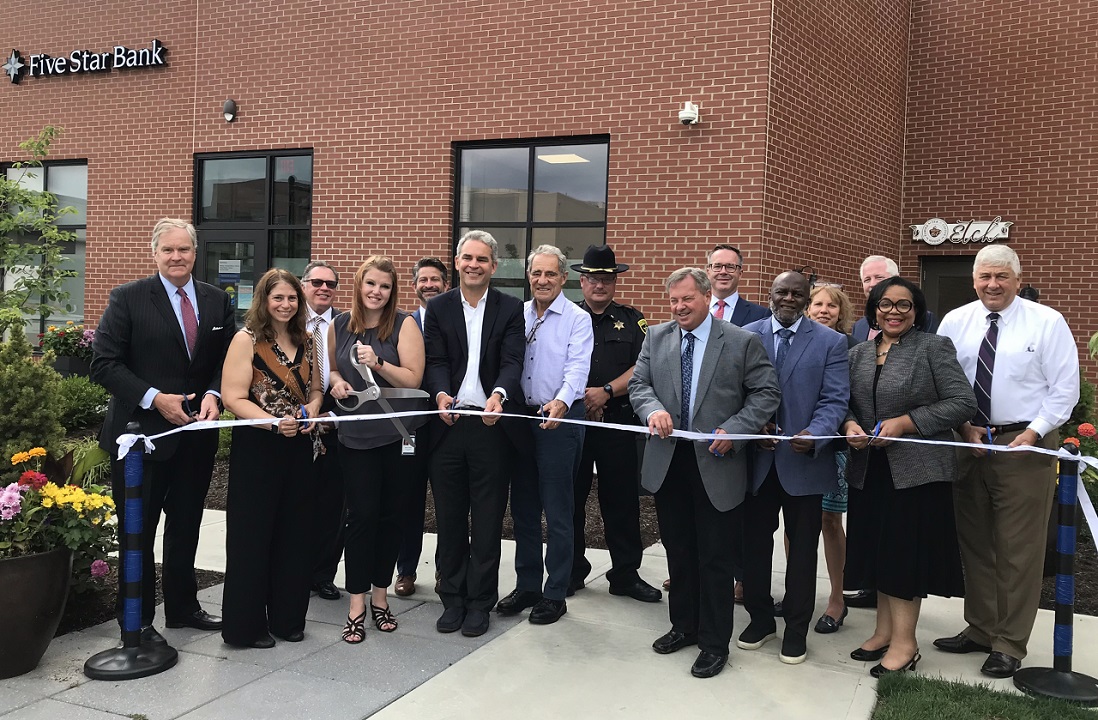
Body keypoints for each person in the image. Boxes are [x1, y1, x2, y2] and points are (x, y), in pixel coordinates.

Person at [934, 245, 1079, 678]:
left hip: (1024, 442)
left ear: (1017, 279)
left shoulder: (1047, 322)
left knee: (1019, 548)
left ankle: (1009, 642)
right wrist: (962, 427)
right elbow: (944, 383)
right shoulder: (955, 321)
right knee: (975, 542)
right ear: (974, 280)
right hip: (968, 440)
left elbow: (1064, 389)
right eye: (984, 277)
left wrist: (1033, 433)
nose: (992, 285)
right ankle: (980, 627)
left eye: (1001, 276)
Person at [629, 267, 780, 679]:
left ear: (707, 296)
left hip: (718, 463)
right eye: (673, 301)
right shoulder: (656, 337)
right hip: (669, 464)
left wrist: (736, 430)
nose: (678, 307)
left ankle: (714, 644)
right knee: (678, 552)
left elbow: (767, 393)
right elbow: (640, 385)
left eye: (687, 300)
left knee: (715, 558)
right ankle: (684, 626)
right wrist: (652, 409)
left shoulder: (740, 340)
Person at [91, 217, 233, 644]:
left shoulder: (215, 301)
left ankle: (183, 607)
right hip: (141, 439)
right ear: (154, 254)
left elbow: (226, 359)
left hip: (195, 435)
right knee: (139, 529)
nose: (177, 257)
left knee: (186, 524)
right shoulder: (128, 298)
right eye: (168, 250)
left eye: (184, 250)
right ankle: (135, 620)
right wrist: (155, 398)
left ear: (195, 253)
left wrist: (214, 394)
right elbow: (104, 363)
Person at [843, 276, 976, 677]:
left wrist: (906, 422)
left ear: (916, 311)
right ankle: (884, 631)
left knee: (903, 557)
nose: (894, 312)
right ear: (874, 310)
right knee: (878, 552)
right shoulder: (859, 353)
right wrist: (850, 425)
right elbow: (847, 403)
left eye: (904, 305)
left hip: (916, 473)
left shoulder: (933, 347)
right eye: (886, 304)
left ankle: (906, 643)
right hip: (870, 470)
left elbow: (961, 402)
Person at [740, 272, 849, 665]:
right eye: (781, 292)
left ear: (807, 300)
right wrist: (753, 424)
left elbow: (836, 400)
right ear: (769, 295)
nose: (788, 298)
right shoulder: (745, 334)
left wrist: (816, 433)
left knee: (803, 551)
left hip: (805, 461)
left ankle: (796, 629)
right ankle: (759, 618)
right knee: (753, 546)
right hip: (756, 462)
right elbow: (734, 391)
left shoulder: (831, 342)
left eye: (797, 294)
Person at [423, 231, 527, 638]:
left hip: (490, 425)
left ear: (493, 266)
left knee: (486, 520)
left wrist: (499, 394)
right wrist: (440, 393)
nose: (473, 265)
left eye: (482, 259)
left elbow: (513, 360)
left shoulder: (510, 308)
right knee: (448, 518)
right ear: (456, 261)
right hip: (448, 425)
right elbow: (435, 359)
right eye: (467, 258)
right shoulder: (439, 307)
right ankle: (452, 597)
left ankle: (480, 602)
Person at [220, 268, 324, 648]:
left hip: (299, 447)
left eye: (292, 298)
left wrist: (311, 411)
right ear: (264, 301)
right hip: (259, 447)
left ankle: (287, 619)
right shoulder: (245, 340)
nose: (285, 304)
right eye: (277, 297)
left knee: (295, 535)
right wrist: (273, 423)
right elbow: (233, 397)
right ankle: (245, 628)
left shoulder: (309, 339)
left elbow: (315, 389)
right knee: (253, 538)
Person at [328, 256, 426, 644]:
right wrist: (335, 382)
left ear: (392, 290)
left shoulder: (404, 325)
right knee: (362, 516)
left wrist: (379, 361)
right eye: (370, 284)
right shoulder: (339, 324)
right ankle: (356, 603)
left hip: (399, 435)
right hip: (356, 437)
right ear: (359, 285)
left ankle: (381, 598)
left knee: (391, 517)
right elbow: (331, 368)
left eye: (384, 286)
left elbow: (413, 378)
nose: (376, 292)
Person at [497, 244, 593, 625]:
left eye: (550, 274)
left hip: (560, 419)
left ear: (563, 277)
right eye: (536, 273)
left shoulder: (576, 319)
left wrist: (562, 402)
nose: (542, 280)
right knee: (522, 508)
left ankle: (556, 593)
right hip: (522, 419)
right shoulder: (515, 315)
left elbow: (577, 369)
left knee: (558, 510)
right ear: (528, 276)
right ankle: (528, 585)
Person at [568, 244, 661, 603]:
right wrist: (583, 398)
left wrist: (606, 391)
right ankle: (572, 569)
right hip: (574, 421)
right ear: (582, 280)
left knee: (621, 501)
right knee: (571, 498)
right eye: (593, 278)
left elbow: (644, 365)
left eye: (606, 278)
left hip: (617, 423)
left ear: (615, 281)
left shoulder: (634, 319)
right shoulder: (568, 317)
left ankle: (625, 573)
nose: (599, 285)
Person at [395, 257, 449, 598]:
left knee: (448, 500)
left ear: (446, 284)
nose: (429, 284)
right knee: (408, 497)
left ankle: (446, 570)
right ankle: (406, 571)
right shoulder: (404, 324)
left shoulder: (455, 320)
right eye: (423, 280)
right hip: (410, 427)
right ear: (414, 285)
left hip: (446, 424)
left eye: (435, 279)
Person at [805, 285, 858, 632]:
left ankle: (837, 598)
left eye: (831, 305)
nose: (824, 310)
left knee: (829, 521)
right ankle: (798, 594)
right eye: (818, 304)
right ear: (808, 309)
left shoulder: (853, 349)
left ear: (842, 312)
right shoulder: (796, 341)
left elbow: (848, 397)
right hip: (796, 445)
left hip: (834, 447)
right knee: (796, 521)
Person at [301, 260, 345, 602]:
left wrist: (335, 412)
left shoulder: (345, 326)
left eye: (331, 284)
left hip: (335, 421)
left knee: (333, 504)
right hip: (293, 424)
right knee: (298, 502)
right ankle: (294, 570)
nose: (324, 288)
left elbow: (356, 379)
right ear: (304, 284)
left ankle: (323, 574)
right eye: (317, 282)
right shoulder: (285, 321)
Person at [852, 256, 938, 342]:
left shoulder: (923, 319)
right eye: (867, 280)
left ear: (897, 279)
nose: (872, 284)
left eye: (879, 277)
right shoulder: (859, 327)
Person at [706, 244, 769, 326]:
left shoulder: (761, 315)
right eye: (717, 266)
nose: (723, 272)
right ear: (708, 272)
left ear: (740, 274)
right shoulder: (694, 311)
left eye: (730, 267)